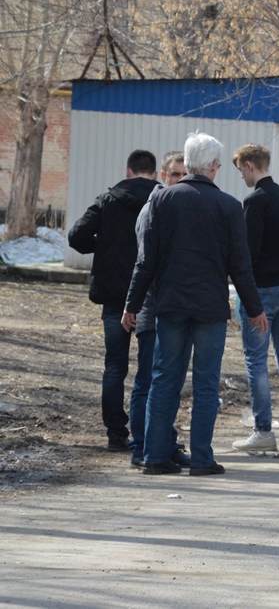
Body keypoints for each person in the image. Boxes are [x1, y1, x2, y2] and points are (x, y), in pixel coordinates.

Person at [123, 132, 267, 476]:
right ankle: (201, 458)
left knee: (164, 380)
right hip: (209, 309)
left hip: (170, 304)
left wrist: (132, 303)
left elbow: (146, 260)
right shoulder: (230, 207)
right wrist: (254, 308)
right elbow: (240, 265)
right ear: (215, 166)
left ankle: (155, 456)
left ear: (187, 164)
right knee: (205, 383)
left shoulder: (161, 201)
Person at [68, 150, 161, 452]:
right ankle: (147, 430)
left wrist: (104, 246)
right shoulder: (161, 199)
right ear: (155, 173)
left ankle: (115, 432)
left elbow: (76, 236)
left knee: (115, 366)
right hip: (150, 295)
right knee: (149, 367)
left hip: (114, 296)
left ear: (128, 170)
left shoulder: (108, 199)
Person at [229, 144, 279, 452]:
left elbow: (248, 253)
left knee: (256, 361)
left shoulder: (255, 201)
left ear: (249, 165)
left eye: (240, 171)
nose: (241, 177)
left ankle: (263, 430)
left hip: (262, 289)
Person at [127, 152, 189, 468]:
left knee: (167, 383)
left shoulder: (177, 207)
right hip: (153, 308)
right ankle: (141, 445)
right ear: (162, 176)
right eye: (174, 175)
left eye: (184, 174)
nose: (179, 180)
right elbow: (144, 263)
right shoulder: (152, 209)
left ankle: (164, 441)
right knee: (148, 382)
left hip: (172, 308)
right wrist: (134, 305)